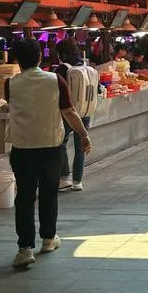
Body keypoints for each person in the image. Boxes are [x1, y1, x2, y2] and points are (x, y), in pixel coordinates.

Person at [5, 39, 91, 268]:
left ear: (17, 60)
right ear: (40, 58)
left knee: (24, 197)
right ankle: (48, 239)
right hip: (50, 147)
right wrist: (84, 135)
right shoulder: (55, 80)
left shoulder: (10, 83)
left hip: (22, 148)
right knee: (48, 194)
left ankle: (24, 249)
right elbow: (69, 112)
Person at [56, 38, 91, 192]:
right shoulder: (85, 67)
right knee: (81, 145)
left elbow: (56, 91)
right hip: (85, 111)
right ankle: (78, 181)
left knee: (61, 143)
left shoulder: (62, 69)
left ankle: (64, 178)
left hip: (68, 113)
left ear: (62, 54)